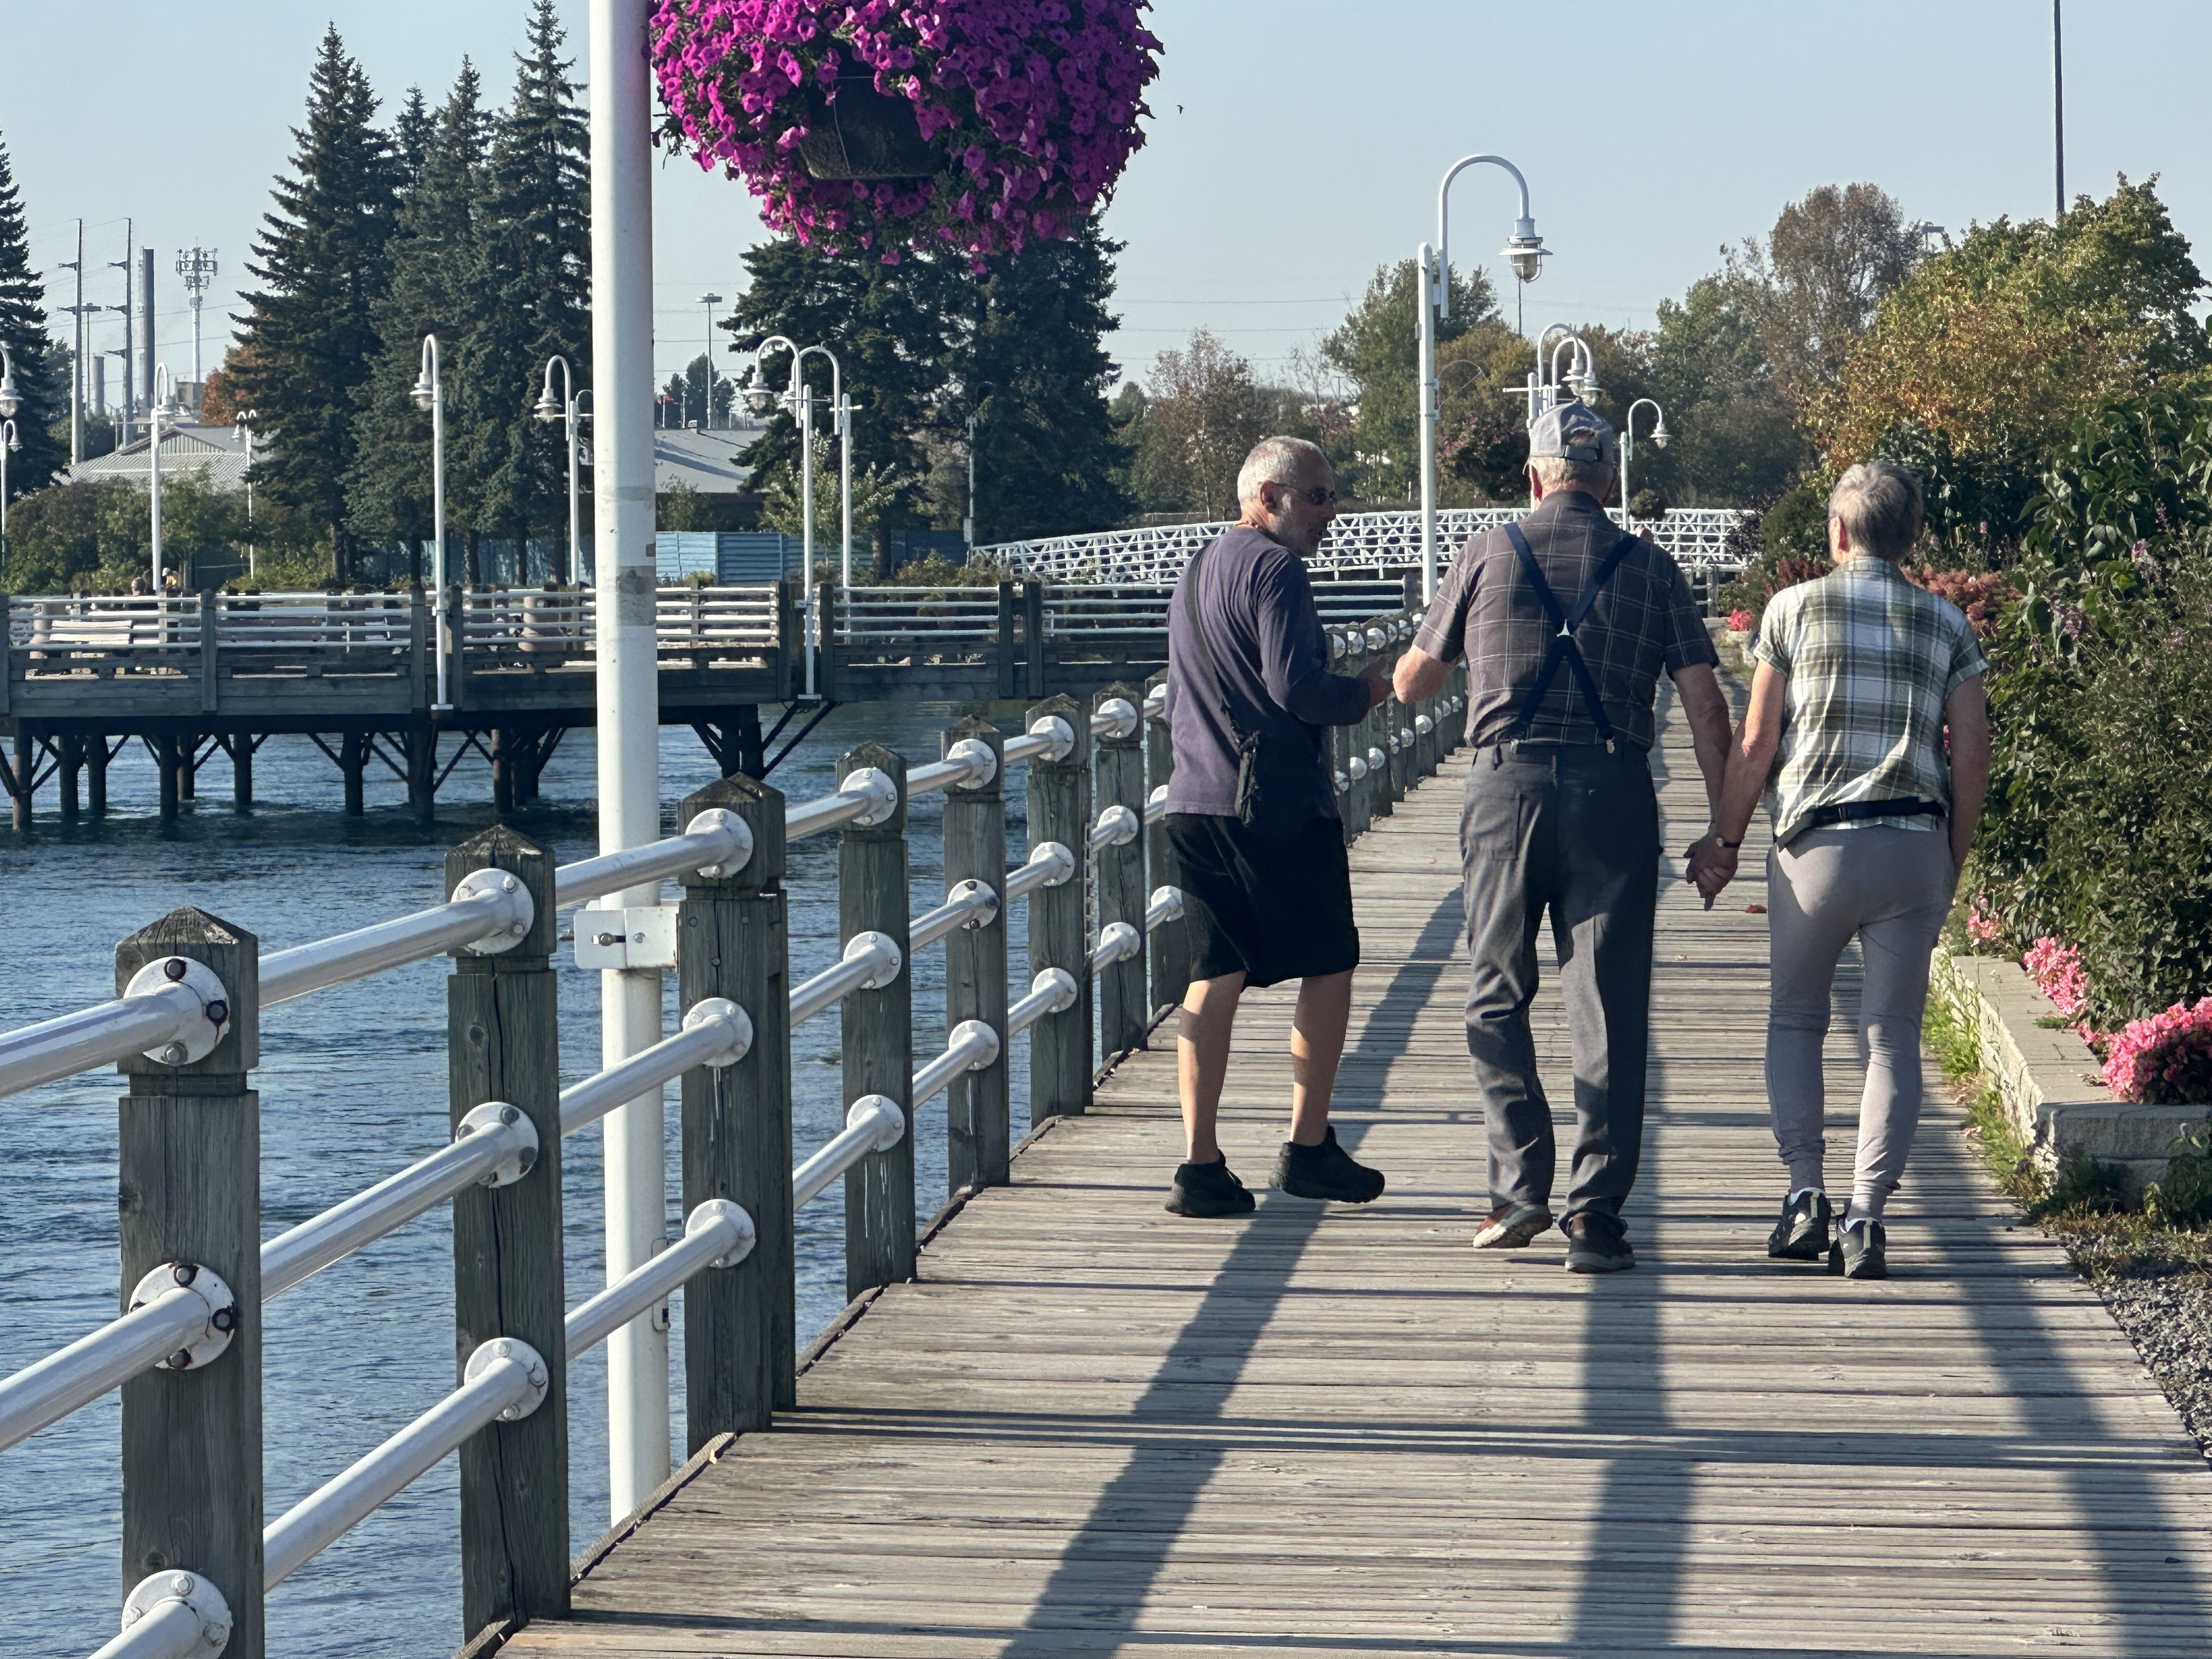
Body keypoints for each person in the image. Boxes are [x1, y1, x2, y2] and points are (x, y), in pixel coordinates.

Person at [1392, 402, 1733, 1272]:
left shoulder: (1486, 551)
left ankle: (1518, 1188)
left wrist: (1435, 655)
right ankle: (1596, 1218)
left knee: (1495, 992)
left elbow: (1415, 687)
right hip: (1616, 792)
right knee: (1608, 1003)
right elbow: (1704, 707)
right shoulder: (1654, 568)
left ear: (1535, 475)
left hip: (1506, 788)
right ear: (1610, 478)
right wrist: (1722, 831)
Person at [1689, 461, 1989, 1280]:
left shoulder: (1791, 611)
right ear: (1911, 536)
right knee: (1891, 1037)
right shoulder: (1946, 624)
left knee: (1796, 1021)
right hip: (1911, 843)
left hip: (1814, 850)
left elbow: (1755, 744)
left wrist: (1724, 841)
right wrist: (1951, 857)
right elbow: (1972, 756)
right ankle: (1867, 1217)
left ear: (1836, 532)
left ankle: (1803, 1195)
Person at [1160, 436, 1395, 1217]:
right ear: (1266, 497)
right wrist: (1371, 689)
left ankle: (1200, 1165)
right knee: (1330, 960)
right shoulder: (1276, 569)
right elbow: (1296, 688)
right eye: (1318, 497)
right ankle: (1309, 1145)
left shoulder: (1197, 570)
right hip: (1274, 804)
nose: (1331, 513)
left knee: (1215, 971)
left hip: (1194, 800)